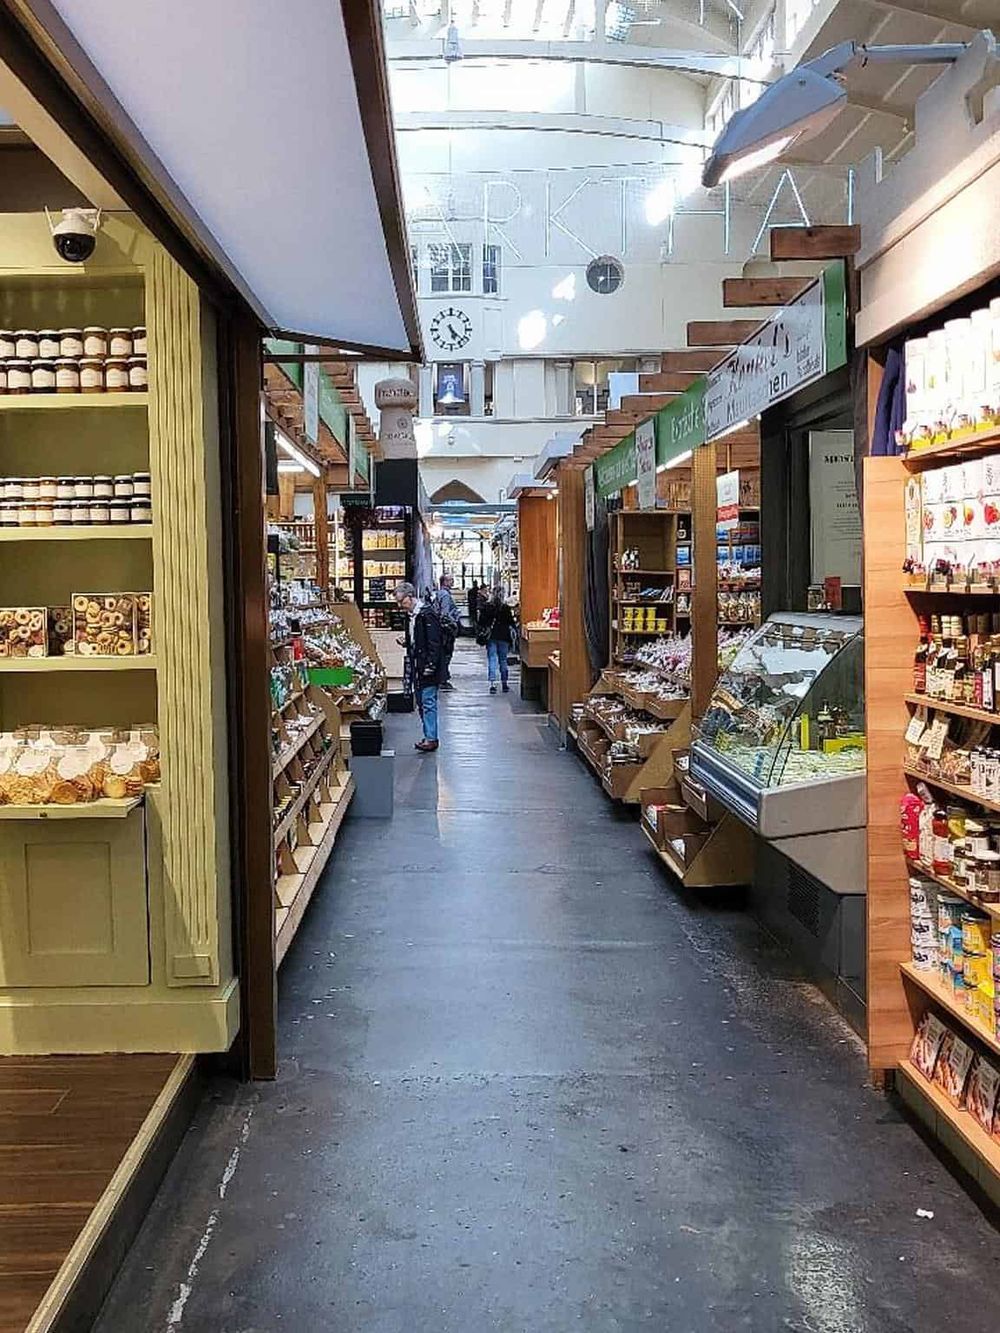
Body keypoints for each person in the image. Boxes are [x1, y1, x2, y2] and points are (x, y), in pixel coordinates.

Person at [394, 581, 444, 752]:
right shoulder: (412, 616)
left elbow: (435, 641)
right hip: (418, 664)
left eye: (402, 601)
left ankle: (431, 738)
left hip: (426, 666)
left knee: (428, 701)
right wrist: (407, 642)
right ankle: (429, 735)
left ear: (410, 596)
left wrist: (431, 664)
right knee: (422, 702)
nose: (400, 605)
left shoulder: (426, 615)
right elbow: (419, 639)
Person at [478, 585, 515, 695]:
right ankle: (504, 683)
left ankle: (493, 684)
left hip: (491, 636)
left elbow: (481, 622)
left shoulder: (487, 606)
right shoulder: (505, 608)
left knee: (492, 659)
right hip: (503, 636)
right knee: (503, 660)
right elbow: (511, 622)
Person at [434, 573, 461, 690]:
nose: (452, 582)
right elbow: (444, 614)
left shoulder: (439, 594)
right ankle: (443, 679)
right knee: (446, 654)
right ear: (444, 582)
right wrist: (453, 621)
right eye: (450, 580)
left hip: (441, 628)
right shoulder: (445, 595)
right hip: (446, 629)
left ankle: (442, 677)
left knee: (443, 653)